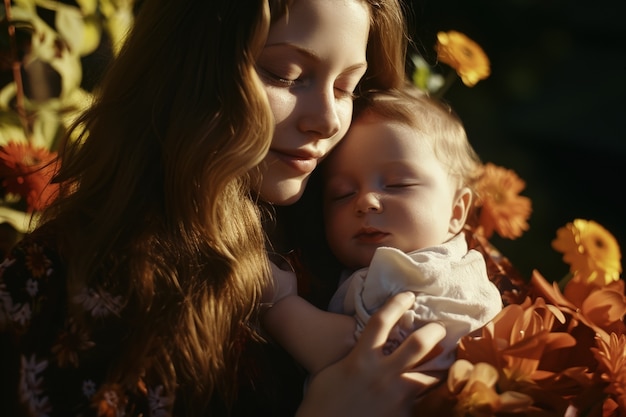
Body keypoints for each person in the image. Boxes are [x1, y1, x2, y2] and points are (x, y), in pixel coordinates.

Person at [0, 0, 447, 416]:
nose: (328, 119)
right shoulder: (69, 277)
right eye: (285, 75)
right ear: (187, 68)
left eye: (347, 87)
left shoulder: (357, 225)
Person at [263, 87, 502, 382]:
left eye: (397, 184)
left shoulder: (418, 272)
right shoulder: (458, 270)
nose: (365, 202)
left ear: (456, 211)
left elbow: (352, 356)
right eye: (342, 194)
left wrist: (280, 303)